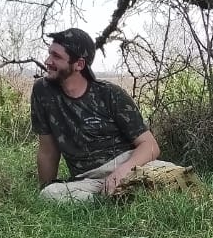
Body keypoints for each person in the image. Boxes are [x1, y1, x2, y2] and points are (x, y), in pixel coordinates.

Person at [31, 27, 179, 201]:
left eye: (56, 56)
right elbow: (48, 151)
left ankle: (121, 196)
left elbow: (150, 146)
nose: (48, 61)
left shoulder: (110, 94)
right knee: (49, 195)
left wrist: (122, 173)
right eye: (50, 54)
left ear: (79, 64)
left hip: (129, 166)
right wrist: (45, 188)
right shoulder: (43, 91)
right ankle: (113, 199)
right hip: (88, 179)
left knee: (174, 177)